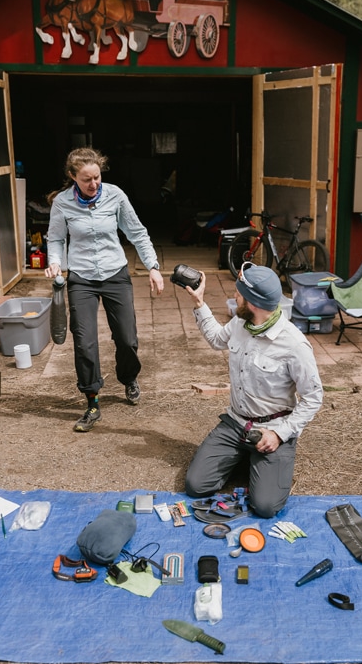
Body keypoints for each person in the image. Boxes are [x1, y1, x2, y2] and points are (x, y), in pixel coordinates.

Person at [182, 263, 323, 517]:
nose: (234, 298)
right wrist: (199, 302)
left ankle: (269, 461)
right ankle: (248, 460)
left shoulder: (294, 344)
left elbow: (313, 398)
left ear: (253, 303)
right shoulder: (240, 323)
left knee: (266, 507)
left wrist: (280, 434)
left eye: (238, 295)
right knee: (196, 486)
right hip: (235, 423)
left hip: (271, 430)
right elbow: (216, 339)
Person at [44, 147, 165, 432]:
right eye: (86, 179)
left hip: (114, 272)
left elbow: (137, 233)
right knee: (84, 342)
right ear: (73, 176)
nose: (93, 183)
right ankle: (92, 400)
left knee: (126, 338)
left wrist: (153, 267)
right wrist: (54, 263)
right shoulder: (62, 203)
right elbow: (56, 238)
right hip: (81, 277)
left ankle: (128, 378)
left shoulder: (115, 196)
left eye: (97, 177)